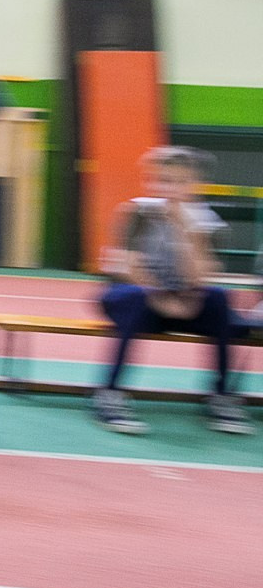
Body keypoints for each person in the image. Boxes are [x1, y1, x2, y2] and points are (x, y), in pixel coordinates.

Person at [94, 146, 251, 435]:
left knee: (219, 299)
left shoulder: (206, 222)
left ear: (194, 185)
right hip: (133, 298)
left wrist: (183, 229)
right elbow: (128, 268)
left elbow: (202, 276)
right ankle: (109, 394)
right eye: (164, 180)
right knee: (136, 297)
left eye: (180, 182)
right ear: (152, 182)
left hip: (184, 301)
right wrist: (162, 299)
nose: (171, 188)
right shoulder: (138, 212)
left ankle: (221, 397)